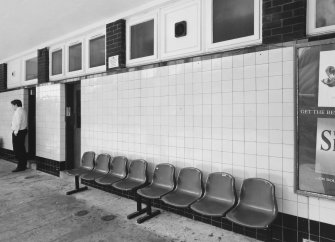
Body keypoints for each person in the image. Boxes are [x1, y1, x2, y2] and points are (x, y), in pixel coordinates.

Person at [10, 99, 28, 172]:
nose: (12, 107)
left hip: (18, 132)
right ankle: (23, 165)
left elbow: (18, 123)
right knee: (22, 149)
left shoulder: (18, 112)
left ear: (16, 105)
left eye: (12, 105)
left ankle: (20, 166)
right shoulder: (23, 111)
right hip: (23, 131)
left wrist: (15, 132)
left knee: (18, 150)